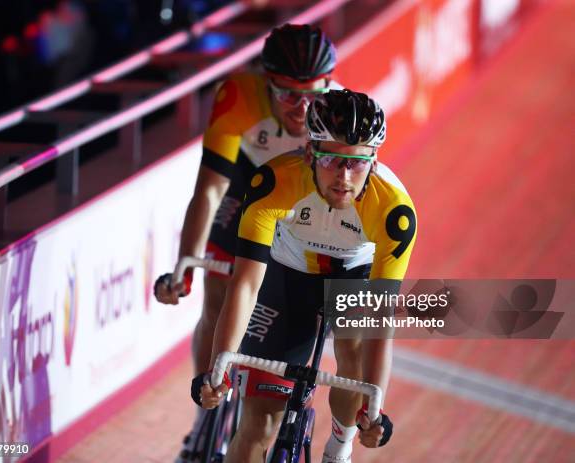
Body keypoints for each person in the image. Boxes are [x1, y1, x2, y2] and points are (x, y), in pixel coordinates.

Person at [193, 89, 417, 463]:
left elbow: (380, 324)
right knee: (258, 424)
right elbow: (246, 284)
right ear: (310, 152)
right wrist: (219, 369)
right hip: (287, 272)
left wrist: (373, 411)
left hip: (353, 274)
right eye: (331, 159)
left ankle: (339, 449)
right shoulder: (274, 183)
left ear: (374, 162)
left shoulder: (395, 213)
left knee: (354, 351)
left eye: (357, 163)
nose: (344, 177)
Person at [154, 24, 338, 462]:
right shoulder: (237, 94)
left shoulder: (337, 115)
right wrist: (187, 261)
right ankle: (207, 404)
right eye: (288, 95)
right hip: (247, 190)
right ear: (265, 82)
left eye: (313, 95)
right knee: (219, 296)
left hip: (301, 206)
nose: (302, 108)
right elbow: (210, 190)